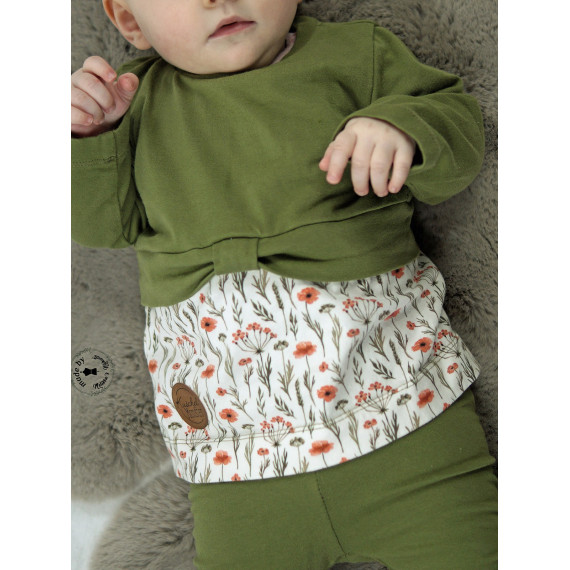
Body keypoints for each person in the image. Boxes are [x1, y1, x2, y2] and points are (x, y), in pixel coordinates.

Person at [71, 0, 498, 568]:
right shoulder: (134, 105)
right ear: (129, 21)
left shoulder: (357, 55)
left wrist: (404, 128)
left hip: (411, 431)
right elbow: (99, 226)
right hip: (237, 476)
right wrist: (88, 137)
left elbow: (459, 129)